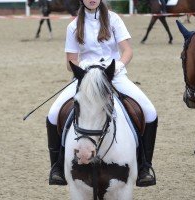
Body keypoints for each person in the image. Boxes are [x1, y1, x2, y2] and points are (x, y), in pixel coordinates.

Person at [46, 0, 158, 187]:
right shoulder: (73, 26)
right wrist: (85, 71)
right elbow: (70, 61)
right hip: (87, 78)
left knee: (150, 111)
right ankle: (57, 167)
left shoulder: (114, 20)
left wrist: (117, 67)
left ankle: (144, 166)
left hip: (114, 75)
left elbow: (127, 51)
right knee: (52, 114)